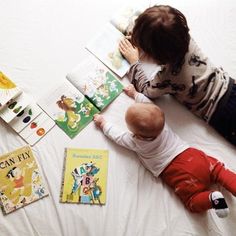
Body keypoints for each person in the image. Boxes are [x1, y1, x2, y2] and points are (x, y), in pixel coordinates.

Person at [94, 84, 236, 218]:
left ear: (135, 133)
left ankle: (211, 199)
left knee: (192, 201)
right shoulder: (163, 125)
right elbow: (149, 104)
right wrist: (135, 94)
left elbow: (117, 136)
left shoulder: (136, 142)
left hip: (177, 172)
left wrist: (103, 123)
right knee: (219, 171)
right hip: (191, 155)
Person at [118, 5, 236, 146]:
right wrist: (141, 38)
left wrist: (134, 61)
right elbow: (161, 35)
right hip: (230, 88)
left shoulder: (167, 77)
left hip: (221, 114)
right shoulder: (185, 39)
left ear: (155, 56)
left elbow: (145, 89)